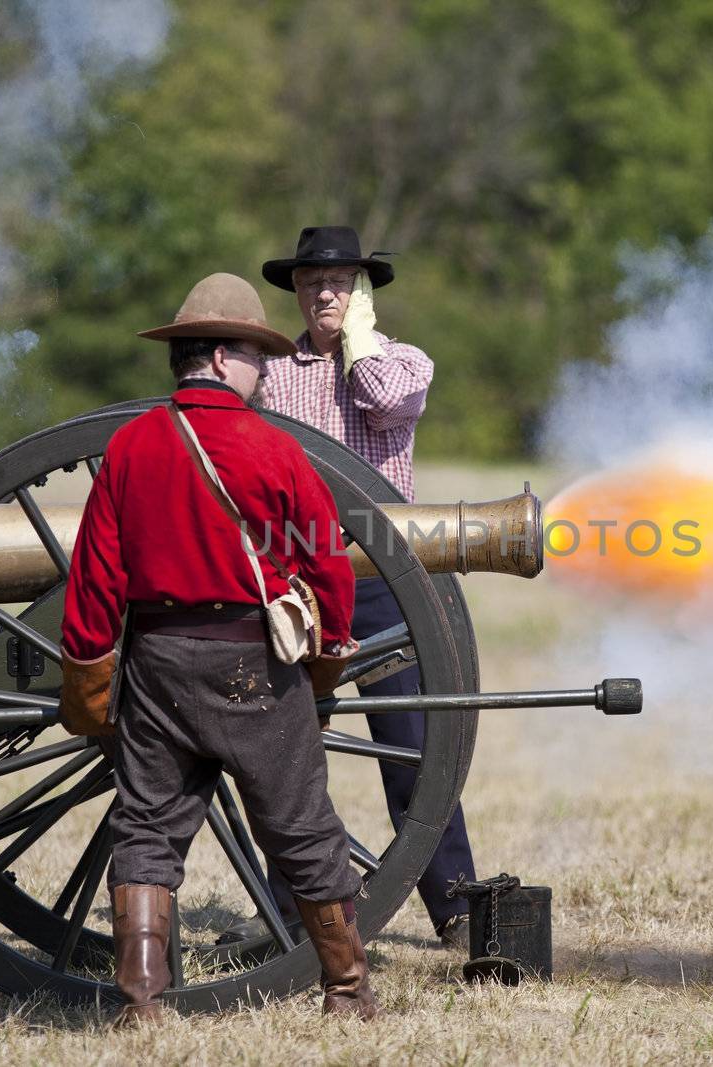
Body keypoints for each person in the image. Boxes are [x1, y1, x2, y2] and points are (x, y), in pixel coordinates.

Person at [57, 272, 378, 1023]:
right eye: (258, 355)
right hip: (252, 665)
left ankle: (141, 1002)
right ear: (227, 357)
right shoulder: (272, 446)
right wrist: (327, 654)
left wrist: (92, 677)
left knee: (145, 829)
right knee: (301, 825)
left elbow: (96, 575)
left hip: (159, 661)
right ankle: (347, 989)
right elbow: (327, 562)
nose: (265, 371)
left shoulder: (129, 446)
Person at [256, 225, 477, 947]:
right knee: (280, 751)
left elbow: (383, 403)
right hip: (293, 576)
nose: (325, 291)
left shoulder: (404, 361)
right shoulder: (268, 374)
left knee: (412, 742)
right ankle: (293, 917)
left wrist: (357, 340)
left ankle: (457, 910)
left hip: (379, 578)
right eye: (313, 281)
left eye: (342, 281)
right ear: (293, 289)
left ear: (364, 294)